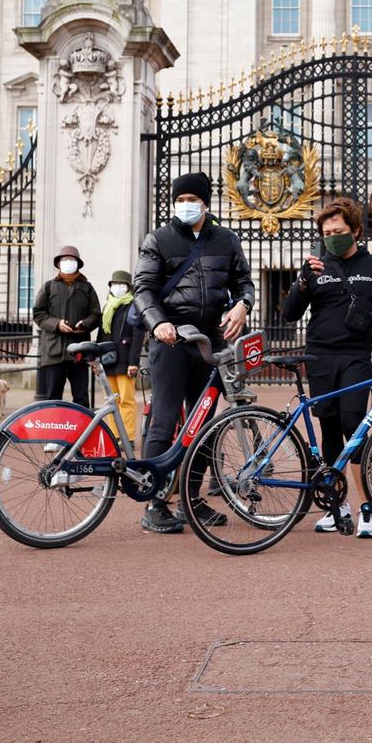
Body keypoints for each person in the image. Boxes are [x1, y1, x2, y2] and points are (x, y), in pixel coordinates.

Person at [131, 172, 257, 534]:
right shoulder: (159, 239)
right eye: (180, 198)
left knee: (203, 424)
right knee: (165, 421)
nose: (186, 204)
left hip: (209, 343)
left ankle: (191, 497)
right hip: (170, 341)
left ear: (205, 202)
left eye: (192, 198)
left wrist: (243, 305)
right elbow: (144, 288)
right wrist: (157, 323)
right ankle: (155, 501)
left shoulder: (227, 239)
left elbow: (243, 281)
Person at [281, 197, 372, 538]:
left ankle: (367, 508)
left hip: (356, 357)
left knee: (355, 429)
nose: (332, 237)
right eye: (326, 233)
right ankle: (336, 504)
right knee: (328, 428)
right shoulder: (316, 267)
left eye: (338, 231)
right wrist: (302, 283)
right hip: (319, 357)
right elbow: (290, 313)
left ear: (355, 231)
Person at [33, 245, 100, 404]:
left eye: (72, 260)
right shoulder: (49, 286)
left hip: (79, 352)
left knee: (82, 398)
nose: (68, 262)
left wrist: (85, 324)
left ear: (77, 263)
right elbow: (38, 313)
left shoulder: (87, 288)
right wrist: (56, 324)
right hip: (54, 351)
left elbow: (96, 315)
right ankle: (53, 428)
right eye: (65, 260)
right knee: (52, 398)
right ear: (59, 263)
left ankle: (83, 428)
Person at [101, 269, 144, 445]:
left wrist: (133, 362)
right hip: (108, 360)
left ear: (128, 287)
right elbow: (102, 335)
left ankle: (128, 436)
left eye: (121, 284)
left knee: (126, 400)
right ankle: (115, 435)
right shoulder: (108, 306)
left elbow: (138, 335)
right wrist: (97, 358)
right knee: (112, 401)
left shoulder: (134, 306)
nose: (117, 287)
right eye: (114, 284)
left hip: (126, 361)